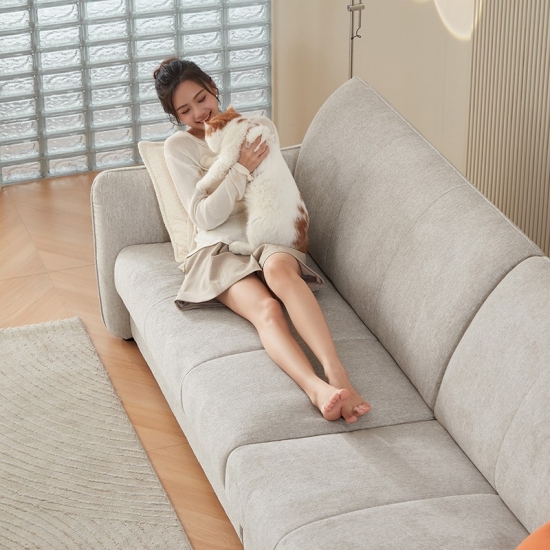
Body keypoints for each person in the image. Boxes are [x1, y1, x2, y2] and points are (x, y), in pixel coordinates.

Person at [154, 57, 371, 423]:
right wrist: (240, 169)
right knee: (267, 309)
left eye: (201, 98)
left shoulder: (259, 128)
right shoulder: (179, 148)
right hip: (219, 249)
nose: (199, 113)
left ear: (213, 88)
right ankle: (317, 390)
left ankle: (338, 374)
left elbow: (276, 189)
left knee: (280, 273)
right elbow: (204, 216)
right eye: (185, 110)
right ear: (176, 116)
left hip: (268, 234)